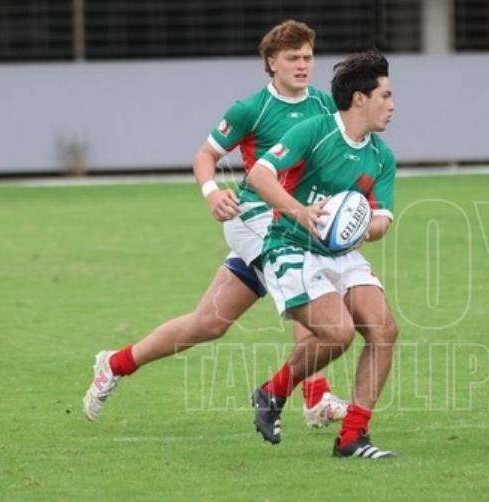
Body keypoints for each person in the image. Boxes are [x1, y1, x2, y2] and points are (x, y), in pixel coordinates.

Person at [82, 20, 347, 428]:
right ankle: (315, 396)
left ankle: (115, 364)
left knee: (207, 323)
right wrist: (211, 192)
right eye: (292, 58)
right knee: (307, 287)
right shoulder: (251, 109)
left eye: (308, 57)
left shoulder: (325, 106)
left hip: (293, 220)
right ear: (271, 62)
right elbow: (205, 155)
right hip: (254, 219)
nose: (302, 65)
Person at [244, 51, 399, 459]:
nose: (392, 105)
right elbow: (259, 174)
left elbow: (383, 221)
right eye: (385, 96)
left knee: (384, 331)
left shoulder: (381, 156)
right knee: (338, 333)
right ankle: (273, 392)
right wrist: (301, 211)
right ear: (360, 99)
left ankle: (352, 437)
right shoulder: (316, 131)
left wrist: (359, 225)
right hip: (290, 244)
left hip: (341, 252)